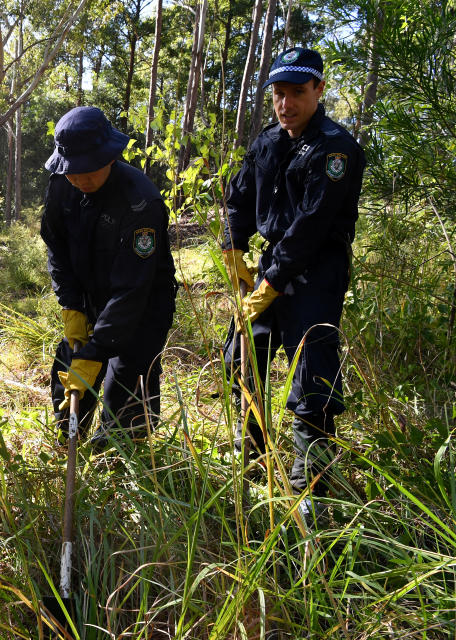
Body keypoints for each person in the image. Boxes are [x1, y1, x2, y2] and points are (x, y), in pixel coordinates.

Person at [221, 47, 365, 524]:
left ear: (319, 90)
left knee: (313, 380)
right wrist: (233, 246)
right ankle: (252, 462)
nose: (286, 104)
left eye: (297, 93)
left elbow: (311, 227)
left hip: (316, 272)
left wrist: (271, 283)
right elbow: (239, 196)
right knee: (244, 358)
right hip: (270, 266)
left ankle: (312, 490)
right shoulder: (268, 142)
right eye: (279, 94)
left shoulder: (335, 148)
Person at [40, 106, 177, 450]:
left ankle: (119, 459)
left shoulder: (140, 201)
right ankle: (68, 439)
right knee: (71, 369)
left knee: (125, 390)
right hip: (89, 299)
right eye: (73, 170)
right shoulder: (61, 187)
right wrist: (71, 306)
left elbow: (132, 289)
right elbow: (56, 248)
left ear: (109, 156)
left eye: (89, 169)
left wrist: (99, 349)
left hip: (141, 307)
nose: (80, 178)